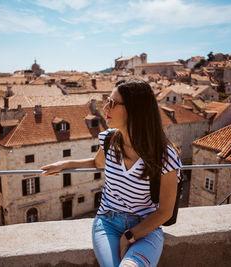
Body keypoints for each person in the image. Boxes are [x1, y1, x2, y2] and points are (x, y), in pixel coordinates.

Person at [41, 79, 182, 267]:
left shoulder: (164, 155)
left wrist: (129, 236)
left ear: (135, 110)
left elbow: (165, 212)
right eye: (108, 101)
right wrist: (65, 164)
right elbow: (96, 162)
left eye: (113, 103)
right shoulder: (109, 140)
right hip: (108, 223)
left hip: (146, 227)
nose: (105, 108)